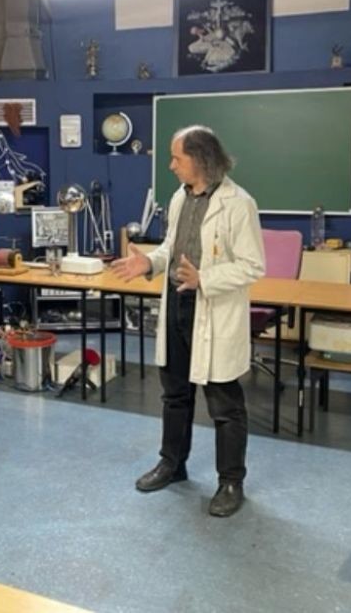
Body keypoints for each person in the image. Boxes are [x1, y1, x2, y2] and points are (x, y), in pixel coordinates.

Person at [111, 125, 265, 518]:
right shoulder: (180, 197)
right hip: (177, 307)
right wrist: (149, 262)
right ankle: (172, 464)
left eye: (177, 158)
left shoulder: (239, 204)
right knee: (175, 394)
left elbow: (252, 265)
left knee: (224, 405)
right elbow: (170, 248)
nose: (171, 165)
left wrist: (205, 279)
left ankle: (231, 482)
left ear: (200, 158)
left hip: (212, 310)